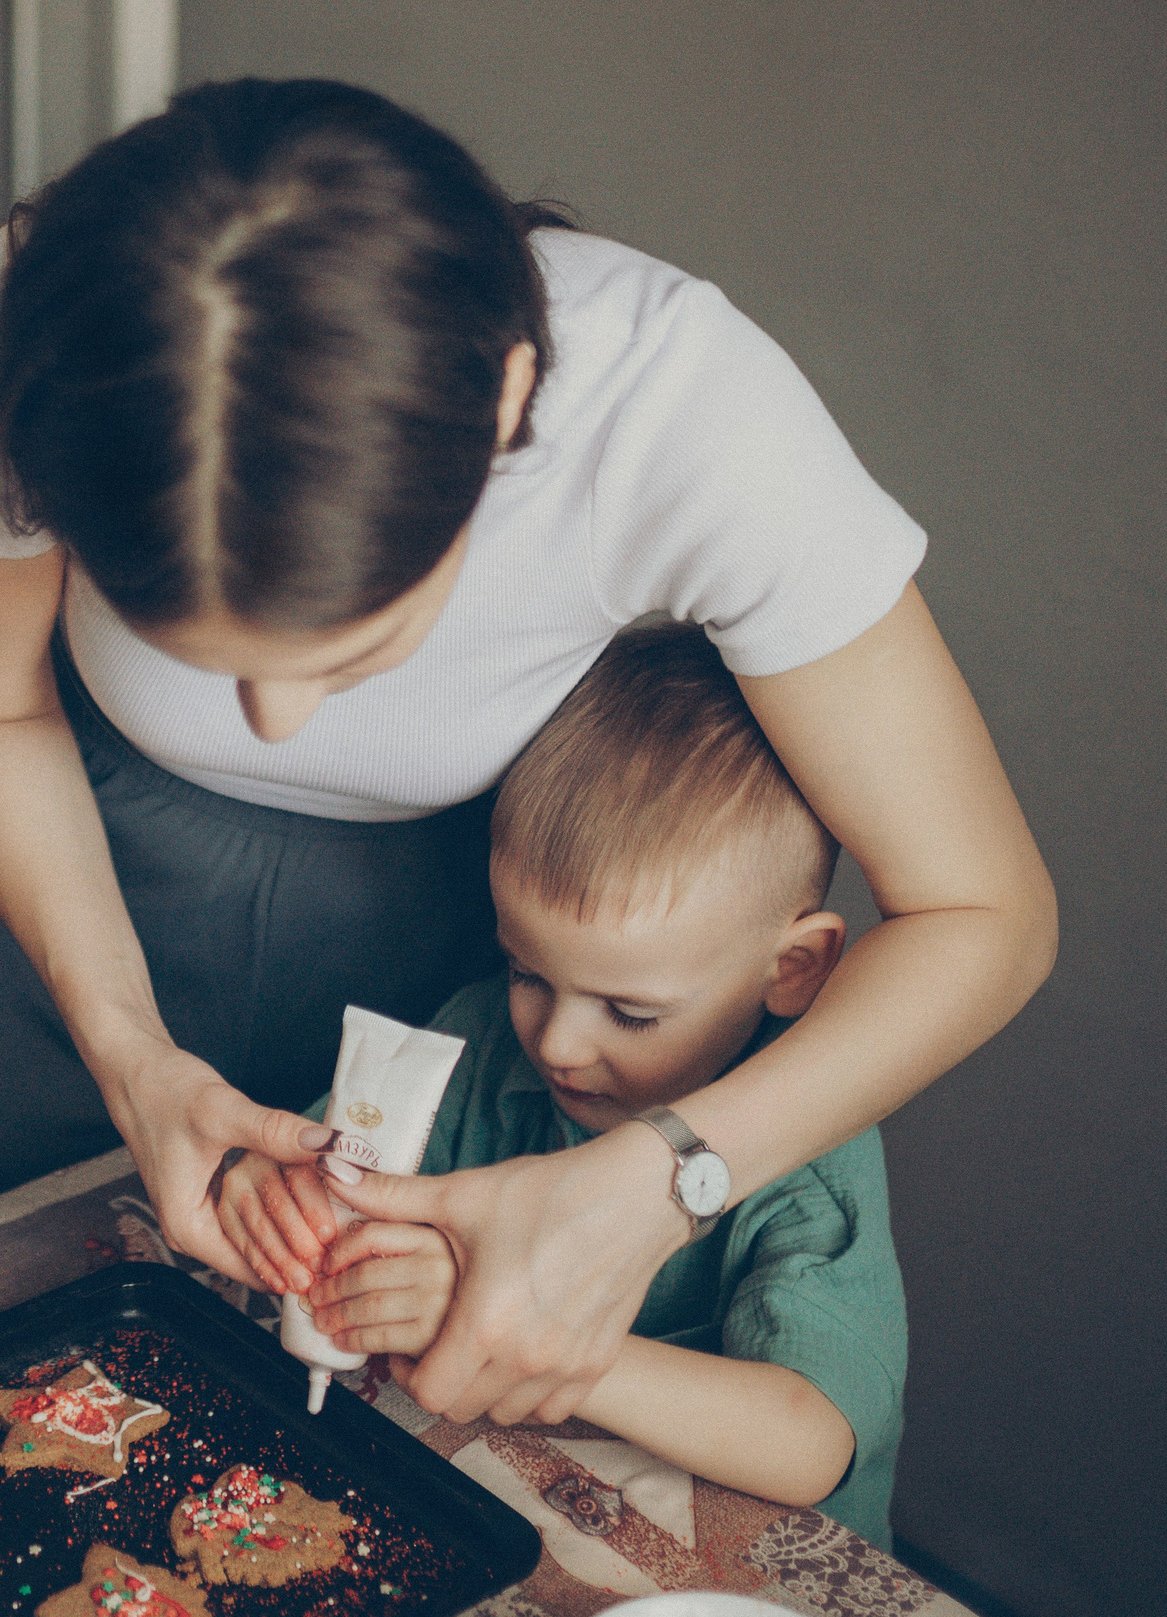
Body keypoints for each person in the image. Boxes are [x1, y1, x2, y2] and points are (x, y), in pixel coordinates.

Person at [0, 78, 1053, 1425]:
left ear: (505, 402)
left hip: (449, 933)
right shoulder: (7, 346)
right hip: (68, 869)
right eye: (199, 649)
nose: (275, 724)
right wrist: (131, 1052)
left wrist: (666, 1176)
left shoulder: (684, 417)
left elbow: (982, 912)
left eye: (358, 651)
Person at [220, 625, 904, 1545]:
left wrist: (537, 1335)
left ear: (791, 966)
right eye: (527, 972)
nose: (558, 1042)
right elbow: (309, 1160)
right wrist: (272, 1197)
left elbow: (809, 1439)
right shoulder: (485, 1039)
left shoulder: (810, 1156)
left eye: (630, 1011)